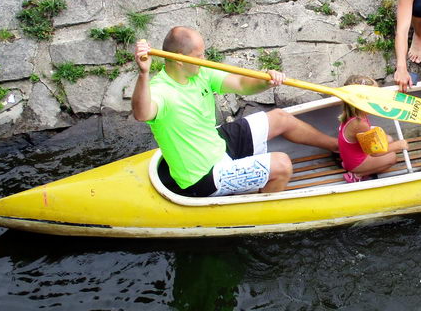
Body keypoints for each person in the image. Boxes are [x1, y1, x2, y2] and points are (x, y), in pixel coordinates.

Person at [132, 27, 338, 196]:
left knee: (281, 118)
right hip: (202, 177)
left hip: (217, 145)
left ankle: (337, 147)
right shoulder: (161, 91)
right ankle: (261, 215)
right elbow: (142, 113)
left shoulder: (200, 72)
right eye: (199, 55)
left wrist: (266, 81)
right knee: (282, 165)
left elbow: (241, 83)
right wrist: (143, 74)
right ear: (179, 59)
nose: (204, 58)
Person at [337, 75, 410, 182]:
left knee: (389, 139)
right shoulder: (360, 124)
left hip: (351, 155)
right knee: (392, 158)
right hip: (356, 163)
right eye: (375, 97)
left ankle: (354, 166)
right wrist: (398, 145)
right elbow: (375, 153)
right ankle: (357, 174)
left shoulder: (354, 113)